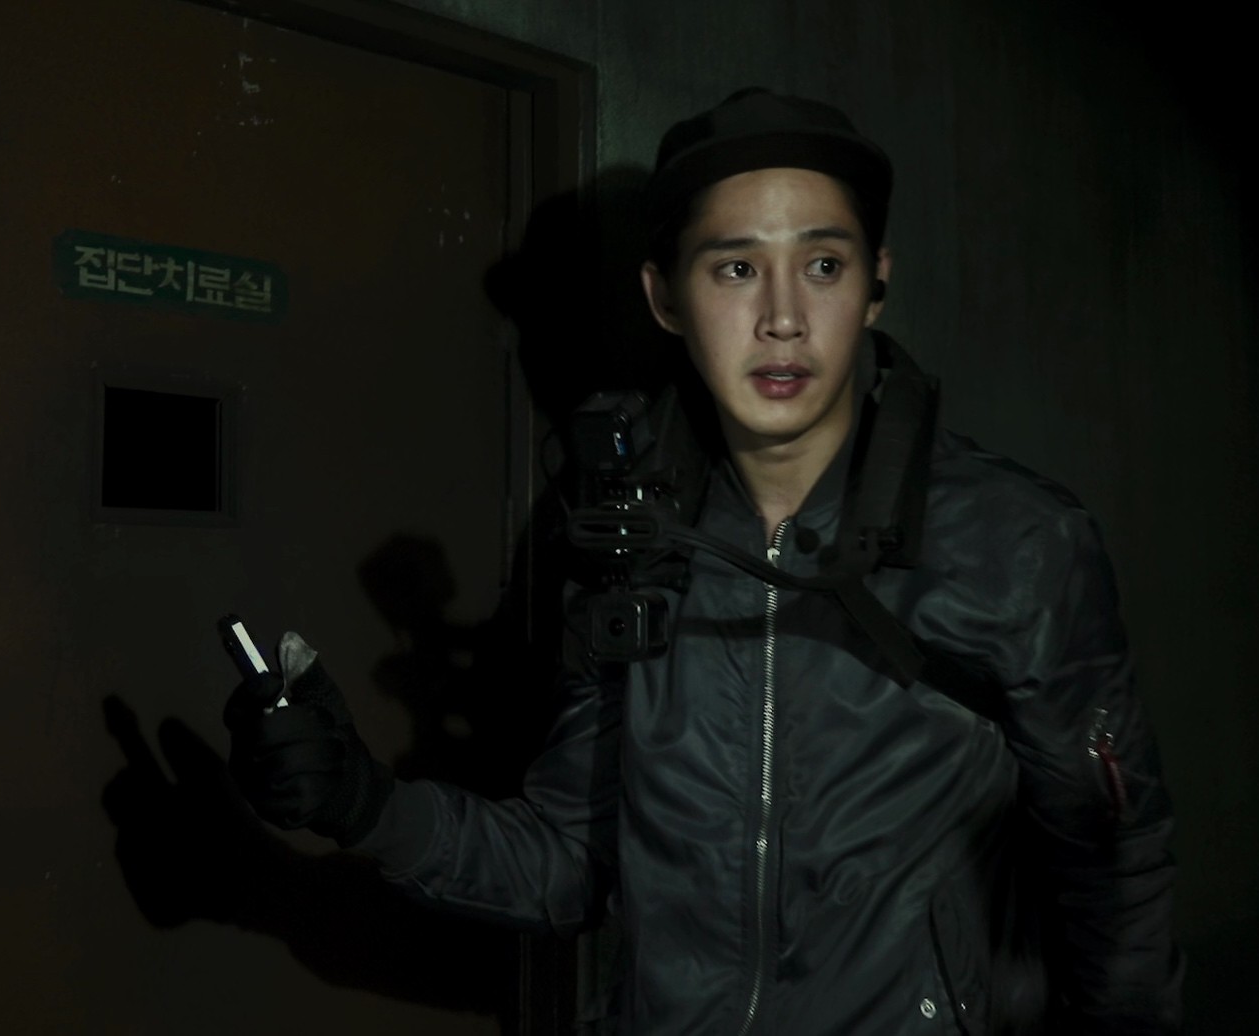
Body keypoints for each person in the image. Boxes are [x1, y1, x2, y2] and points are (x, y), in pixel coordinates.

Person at [225, 87, 1183, 1034]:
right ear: (666, 298)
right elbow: (571, 862)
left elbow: (1116, 871)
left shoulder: (1020, 544)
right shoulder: (627, 541)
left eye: (823, 264)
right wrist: (366, 803)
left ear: (876, 283)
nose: (783, 318)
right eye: (735, 269)